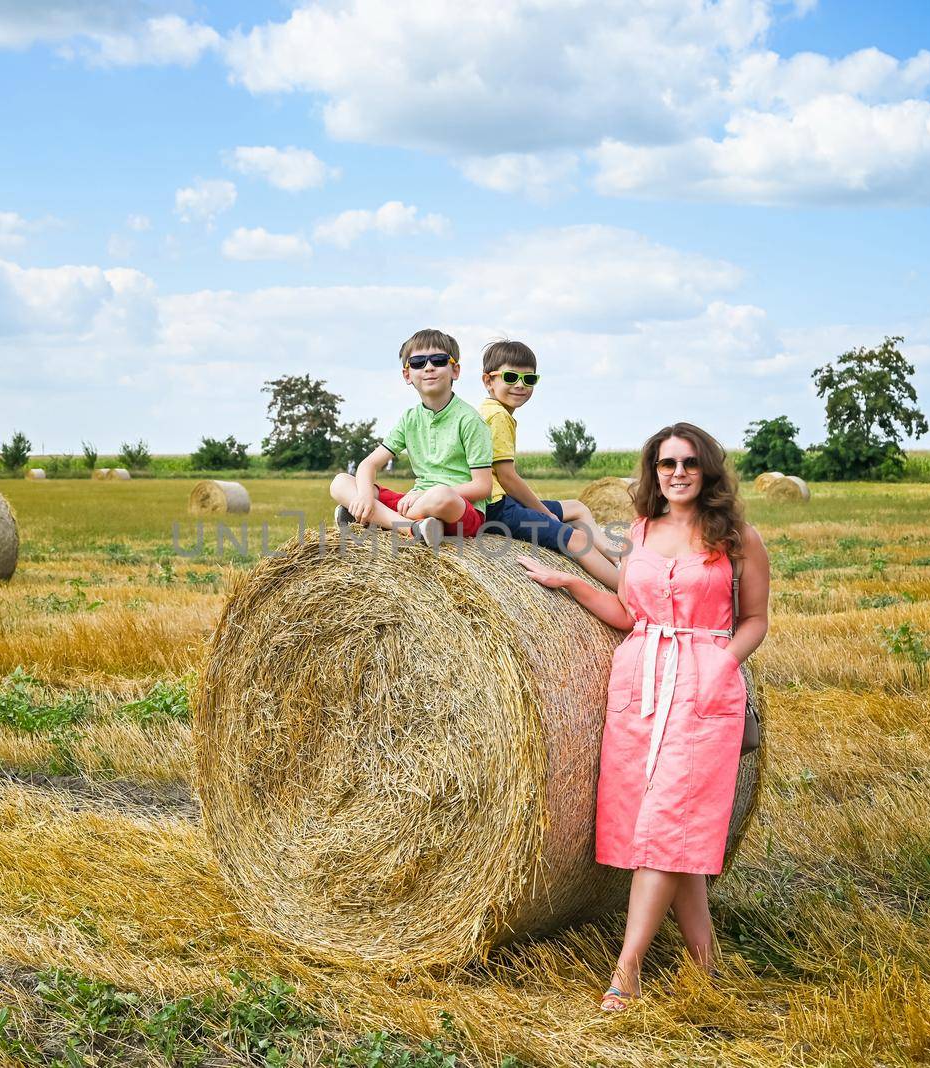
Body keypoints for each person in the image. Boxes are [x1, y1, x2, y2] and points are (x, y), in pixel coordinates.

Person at [517, 422, 770, 1012]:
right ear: (653, 472)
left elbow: (755, 619)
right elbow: (631, 611)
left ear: (706, 470)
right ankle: (706, 964)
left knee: (663, 828)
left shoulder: (737, 538)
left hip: (704, 685)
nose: (676, 472)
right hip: (642, 681)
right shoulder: (640, 532)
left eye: (687, 462)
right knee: (662, 827)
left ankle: (626, 968)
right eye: (665, 464)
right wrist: (570, 585)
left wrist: (721, 665)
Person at [330, 329, 493, 548]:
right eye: (417, 362)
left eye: (439, 360)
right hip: (414, 504)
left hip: (459, 510)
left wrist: (425, 494)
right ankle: (411, 528)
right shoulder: (410, 419)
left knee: (441, 495)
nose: (428, 367)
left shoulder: (469, 420)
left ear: (455, 370)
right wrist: (366, 496)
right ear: (407, 375)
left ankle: (378, 519)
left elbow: (483, 487)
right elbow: (369, 464)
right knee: (340, 482)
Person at [477, 339, 618, 588]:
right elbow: (508, 477)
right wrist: (545, 513)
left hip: (499, 503)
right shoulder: (498, 416)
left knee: (577, 507)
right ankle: (629, 594)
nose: (520, 385)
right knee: (574, 540)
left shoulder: (489, 411)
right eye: (510, 377)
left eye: (529, 379)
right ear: (489, 381)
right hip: (496, 508)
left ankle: (615, 557)